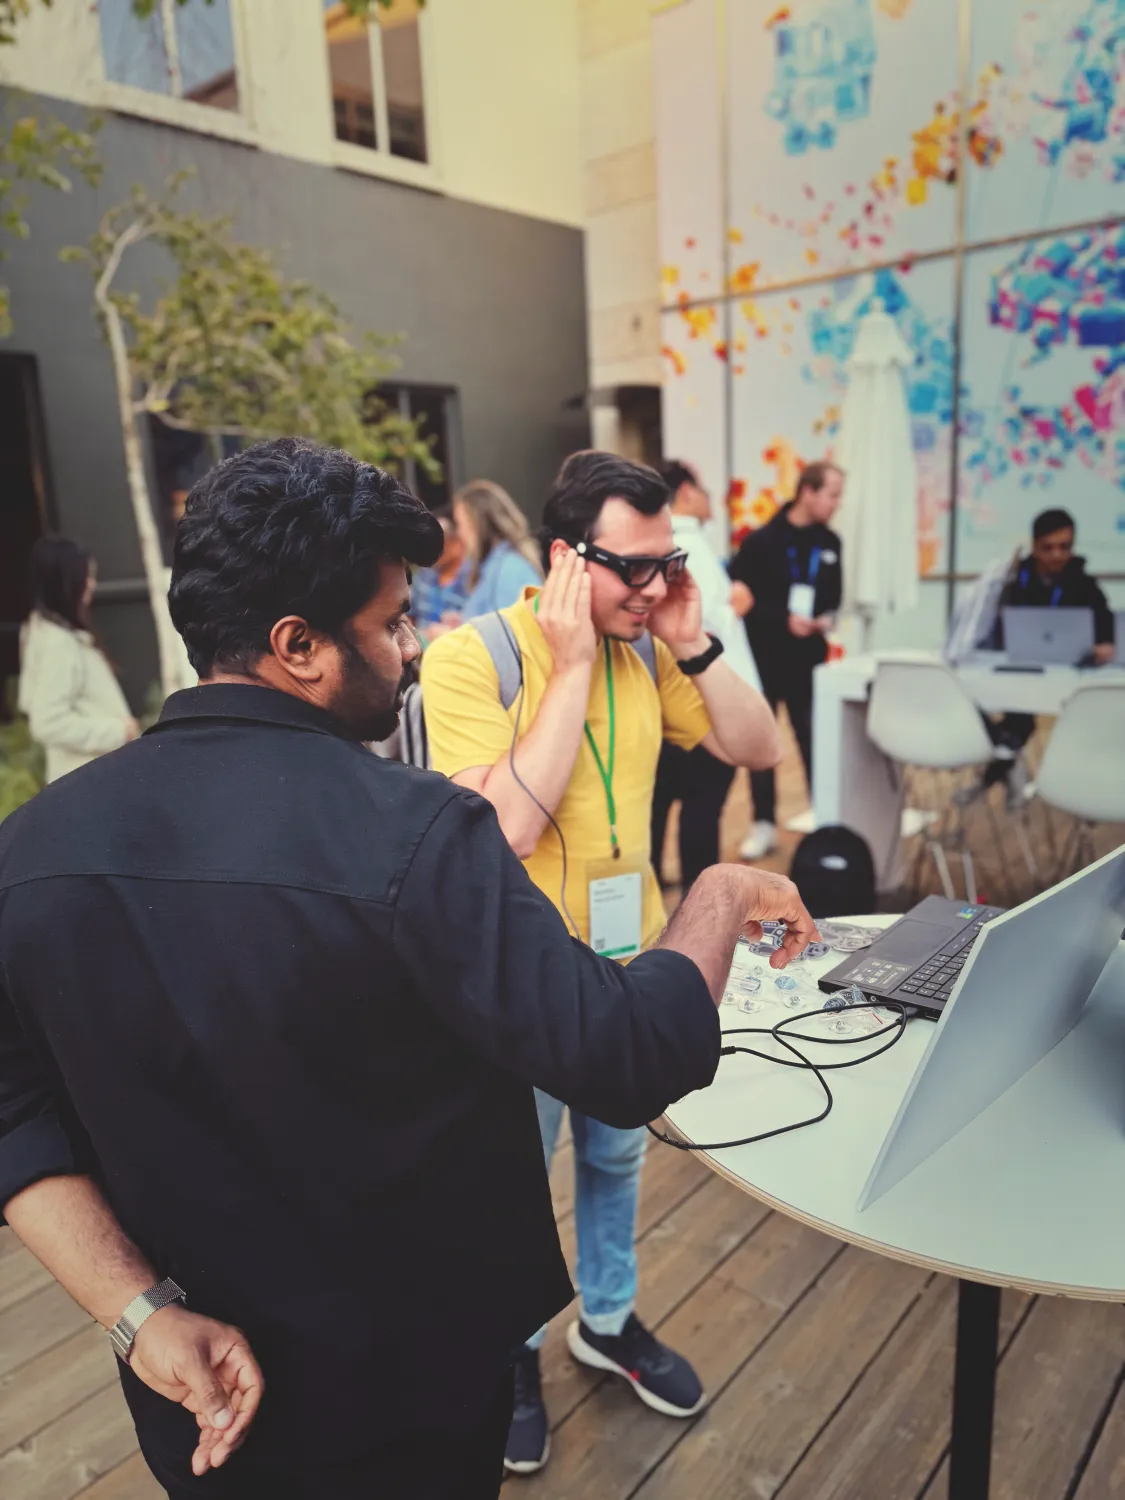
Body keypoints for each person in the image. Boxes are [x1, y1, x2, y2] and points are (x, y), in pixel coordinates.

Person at [0, 437, 817, 1500]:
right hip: (410, 1401)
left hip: (196, 1406)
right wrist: (720, 891)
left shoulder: (31, 849)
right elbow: (630, 1055)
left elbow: (13, 1113)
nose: (412, 644)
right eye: (391, 622)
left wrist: (139, 1314)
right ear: (299, 645)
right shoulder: (413, 835)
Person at [420, 450, 782, 1477]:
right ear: (565, 560)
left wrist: (693, 642)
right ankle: (516, 1350)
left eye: (668, 562)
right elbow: (499, 831)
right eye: (634, 567)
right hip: (519, 978)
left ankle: (608, 1319)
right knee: (516, 1180)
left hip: (631, 960)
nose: (655, 587)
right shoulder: (470, 658)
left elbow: (756, 747)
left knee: (617, 1158)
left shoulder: (651, 649)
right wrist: (571, 663)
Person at [651, 459, 765, 890]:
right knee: (701, 805)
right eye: (702, 487)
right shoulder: (687, 547)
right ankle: (697, 907)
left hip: (673, 694)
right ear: (685, 492)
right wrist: (734, 607)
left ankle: (655, 894)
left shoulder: (677, 544)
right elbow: (702, 626)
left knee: (659, 805)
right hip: (703, 698)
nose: (710, 496)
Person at [729, 461, 844, 861]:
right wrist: (782, 618)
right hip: (764, 660)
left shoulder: (831, 543)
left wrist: (825, 619)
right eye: (832, 494)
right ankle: (763, 823)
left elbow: (833, 596)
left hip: (808, 662)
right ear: (807, 492)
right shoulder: (760, 542)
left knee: (814, 740)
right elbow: (740, 602)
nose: (837, 503)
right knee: (762, 744)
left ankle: (823, 821)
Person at [981, 507, 1116, 793]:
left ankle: (994, 775)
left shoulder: (1084, 583)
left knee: (1020, 722)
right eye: (1049, 547)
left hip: (1072, 674)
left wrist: (1105, 646)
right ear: (1035, 546)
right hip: (1023, 669)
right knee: (1013, 711)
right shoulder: (1015, 580)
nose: (1057, 555)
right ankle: (1004, 768)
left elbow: (1106, 626)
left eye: (1065, 547)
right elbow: (996, 625)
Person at [17, 536, 138, 783]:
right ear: (65, 582)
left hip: (84, 780)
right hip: (87, 780)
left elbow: (29, 701)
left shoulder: (46, 632)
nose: (92, 585)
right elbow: (46, 722)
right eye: (86, 576)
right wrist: (118, 732)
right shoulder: (58, 642)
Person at [454, 478, 542, 617]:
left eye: (461, 524)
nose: (459, 533)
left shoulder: (509, 570)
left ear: (477, 525)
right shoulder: (496, 564)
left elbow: (506, 628)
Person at [408, 504, 469, 640]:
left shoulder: (474, 580)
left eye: (439, 541)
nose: (431, 548)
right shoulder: (423, 576)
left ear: (457, 542)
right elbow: (409, 616)